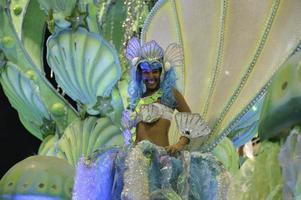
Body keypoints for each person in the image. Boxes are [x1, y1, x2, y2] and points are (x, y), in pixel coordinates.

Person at [73, 38, 229, 200]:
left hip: (159, 160)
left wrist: (180, 143)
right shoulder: (137, 97)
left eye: (155, 71)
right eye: (146, 71)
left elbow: (191, 122)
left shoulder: (170, 94)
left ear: (163, 71)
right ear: (139, 72)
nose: (150, 76)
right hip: (136, 159)